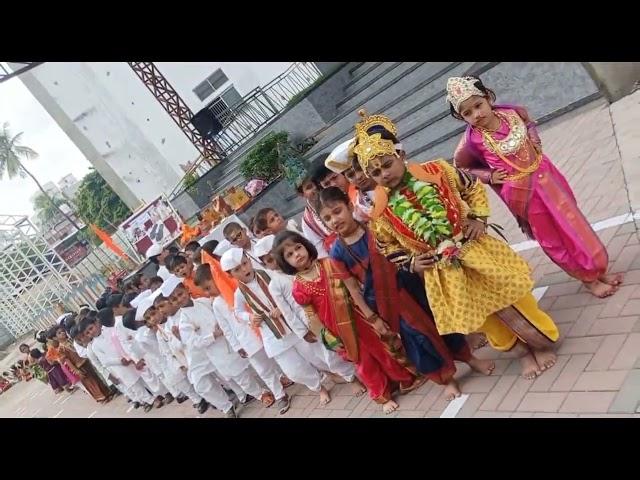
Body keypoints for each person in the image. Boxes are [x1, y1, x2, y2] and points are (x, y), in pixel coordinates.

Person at [353, 109, 560, 380]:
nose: (384, 173)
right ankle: (521, 353)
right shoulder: (380, 211)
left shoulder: (437, 170)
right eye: (376, 172)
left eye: (387, 164)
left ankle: (541, 341)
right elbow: (387, 247)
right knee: (483, 317)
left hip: (474, 247)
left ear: (400, 155)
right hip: (444, 271)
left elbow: (472, 186)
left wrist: (478, 218)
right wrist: (412, 262)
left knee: (512, 294)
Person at [448, 75, 623, 298]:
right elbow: (461, 167)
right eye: (467, 113)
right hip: (524, 194)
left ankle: (598, 268)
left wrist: (534, 137)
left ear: (488, 97)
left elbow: (528, 123)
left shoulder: (512, 113)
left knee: (573, 223)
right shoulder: (472, 141)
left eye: (478, 105)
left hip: (547, 176)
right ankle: (588, 280)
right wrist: (489, 175)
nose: (476, 114)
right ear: (462, 118)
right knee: (553, 238)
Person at [318, 187, 497, 399]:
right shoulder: (337, 253)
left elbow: (405, 250)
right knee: (418, 339)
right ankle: (446, 379)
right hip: (388, 303)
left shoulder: (377, 228)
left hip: (411, 285)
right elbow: (353, 289)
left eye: (337, 211)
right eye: (327, 218)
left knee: (441, 322)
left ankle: (470, 359)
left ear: (349, 206)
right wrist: (373, 318)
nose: (334, 220)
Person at [274, 231, 422, 414]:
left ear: (306, 246)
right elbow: (312, 317)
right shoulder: (298, 288)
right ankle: (383, 396)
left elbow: (352, 287)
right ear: (285, 263)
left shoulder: (329, 264)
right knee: (363, 361)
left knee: (381, 348)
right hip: (339, 330)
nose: (297, 254)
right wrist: (330, 339)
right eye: (289, 255)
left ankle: (404, 379)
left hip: (359, 316)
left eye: (298, 247)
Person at [253, 235, 366, 396]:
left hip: (333, 311)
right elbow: (287, 312)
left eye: (276, 255)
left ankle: (363, 371)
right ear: (266, 265)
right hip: (312, 324)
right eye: (270, 260)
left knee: (353, 340)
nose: (276, 261)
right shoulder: (275, 284)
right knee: (331, 355)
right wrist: (303, 331)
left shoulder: (310, 264)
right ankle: (352, 379)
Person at [222, 247, 333, 408]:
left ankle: (332, 372)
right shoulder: (239, 293)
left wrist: (281, 307)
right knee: (294, 371)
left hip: (292, 324)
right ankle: (319, 387)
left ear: (248, 259)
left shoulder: (269, 274)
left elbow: (290, 289)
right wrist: (250, 317)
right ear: (230, 275)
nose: (244, 269)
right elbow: (238, 312)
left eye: (245, 263)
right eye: (237, 269)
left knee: (315, 355)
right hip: (272, 335)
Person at [199, 250, 295, 414]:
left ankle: (282, 377)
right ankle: (280, 395)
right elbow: (227, 328)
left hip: (265, 330)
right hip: (247, 340)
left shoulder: (242, 286)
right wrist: (237, 346)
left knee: (277, 357)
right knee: (263, 368)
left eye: (209, 286)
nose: (208, 293)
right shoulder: (217, 304)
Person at [163, 275, 240, 418]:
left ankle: (242, 395)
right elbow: (176, 346)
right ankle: (226, 406)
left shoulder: (203, 302)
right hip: (196, 357)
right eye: (174, 299)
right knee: (200, 385)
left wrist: (217, 329)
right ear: (170, 302)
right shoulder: (169, 325)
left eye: (180, 294)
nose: (179, 299)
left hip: (215, 347)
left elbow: (217, 316)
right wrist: (179, 338)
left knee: (227, 374)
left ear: (186, 290)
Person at [283, 155, 335, 259]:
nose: (315, 188)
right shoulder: (308, 222)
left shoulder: (336, 194)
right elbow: (320, 252)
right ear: (302, 194)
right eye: (309, 187)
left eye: (315, 183)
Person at [62, 326, 113, 403]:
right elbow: (68, 361)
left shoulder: (70, 341)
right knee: (91, 382)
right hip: (79, 366)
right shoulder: (62, 348)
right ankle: (101, 397)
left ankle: (107, 393)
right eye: (59, 333)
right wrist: (76, 371)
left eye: (62, 331)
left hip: (86, 362)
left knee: (96, 378)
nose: (62, 333)